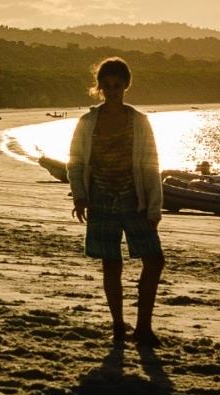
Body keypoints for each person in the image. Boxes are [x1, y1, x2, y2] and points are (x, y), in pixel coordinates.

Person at [68, 58, 165, 346]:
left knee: (154, 261)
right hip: (100, 201)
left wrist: (154, 208)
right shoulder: (87, 122)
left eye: (117, 86)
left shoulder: (139, 121)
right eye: (107, 86)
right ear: (99, 87)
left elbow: (151, 164)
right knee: (111, 265)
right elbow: (75, 162)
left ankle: (143, 327)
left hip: (134, 200)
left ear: (126, 86)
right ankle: (118, 327)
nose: (112, 91)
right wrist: (79, 196)